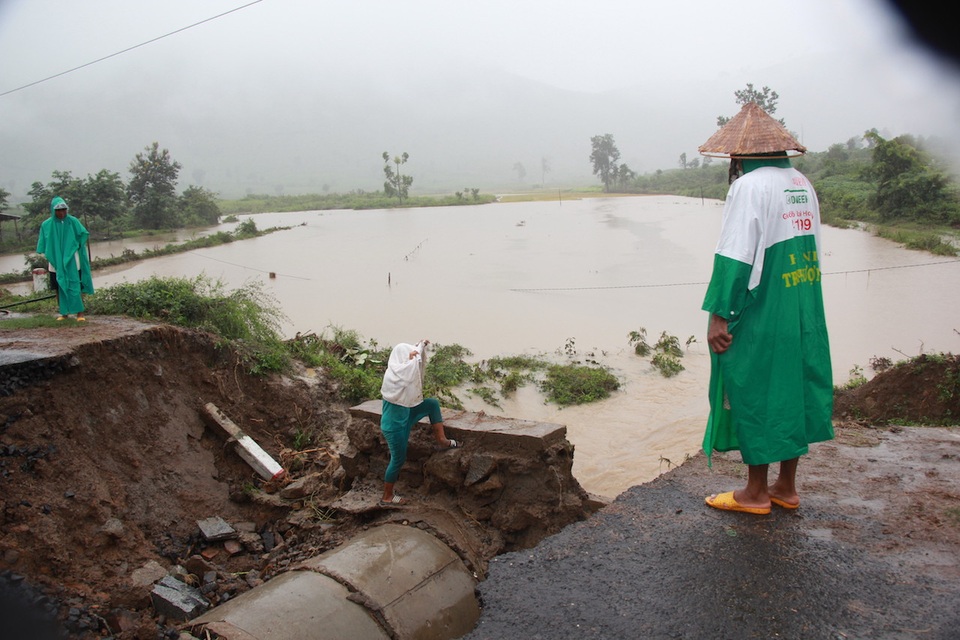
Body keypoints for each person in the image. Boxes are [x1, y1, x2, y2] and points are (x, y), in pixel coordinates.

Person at [697, 103, 834, 515]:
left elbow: (735, 255)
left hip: (764, 306)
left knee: (753, 385)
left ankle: (755, 493)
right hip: (802, 302)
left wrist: (720, 314)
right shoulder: (801, 182)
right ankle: (785, 487)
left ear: (738, 157)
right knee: (792, 388)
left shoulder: (750, 187)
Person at [379, 339, 461, 506]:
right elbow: (407, 372)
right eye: (405, 356)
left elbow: (412, 370)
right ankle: (387, 496)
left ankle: (442, 440)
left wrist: (420, 346)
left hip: (406, 414)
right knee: (398, 459)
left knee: (431, 404)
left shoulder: (403, 371)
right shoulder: (393, 376)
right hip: (394, 426)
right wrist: (411, 358)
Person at [36, 196, 94, 321]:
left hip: (73, 260)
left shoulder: (73, 221)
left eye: (64, 210)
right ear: (53, 211)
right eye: (58, 210)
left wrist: (75, 245)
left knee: (75, 284)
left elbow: (83, 234)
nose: (61, 213)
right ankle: (64, 313)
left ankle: (80, 313)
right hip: (55, 261)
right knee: (59, 286)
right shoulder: (47, 225)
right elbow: (43, 242)